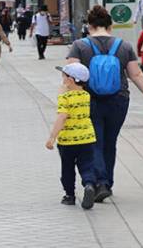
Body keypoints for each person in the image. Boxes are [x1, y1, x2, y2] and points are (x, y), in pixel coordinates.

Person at [67, 5, 143, 203]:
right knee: (110, 141)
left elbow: (71, 76)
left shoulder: (80, 45)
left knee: (94, 141)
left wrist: (66, 104)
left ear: (90, 26)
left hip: (89, 100)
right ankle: (107, 183)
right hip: (118, 100)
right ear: (110, 26)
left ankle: (99, 182)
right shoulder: (124, 46)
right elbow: (136, 74)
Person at [45, 63, 97, 209]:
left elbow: (62, 117)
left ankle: (69, 196)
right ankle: (89, 184)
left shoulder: (65, 98)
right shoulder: (86, 96)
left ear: (71, 80)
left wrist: (52, 137)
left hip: (68, 140)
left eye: (64, 76)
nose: (62, 78)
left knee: (67, 168)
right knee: (87, 165)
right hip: (87, 138)